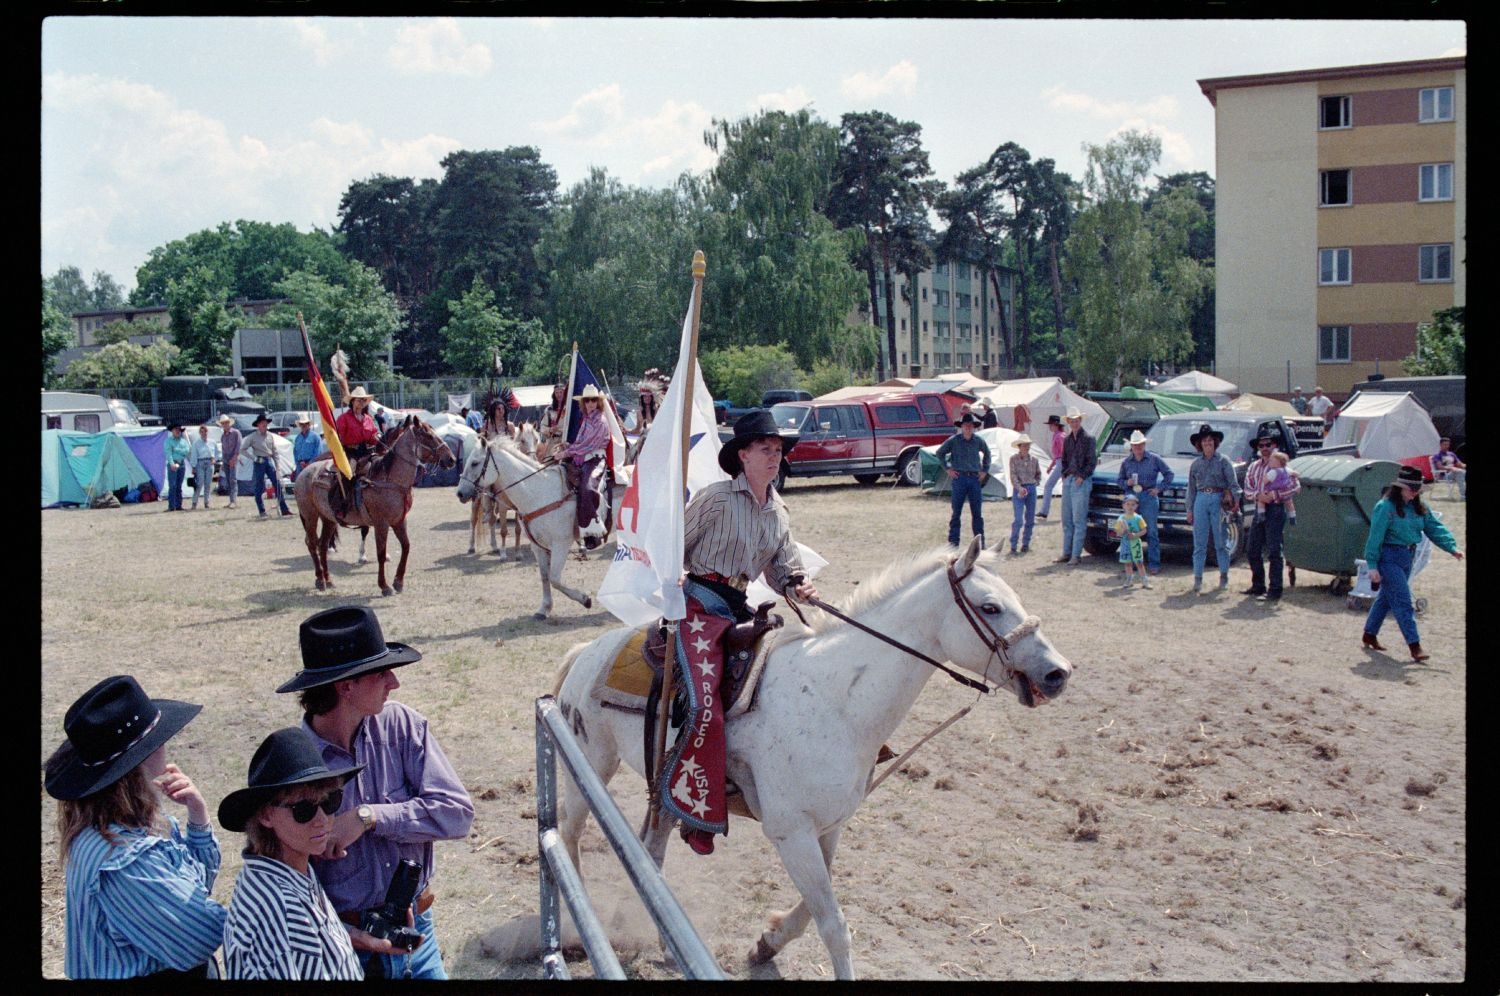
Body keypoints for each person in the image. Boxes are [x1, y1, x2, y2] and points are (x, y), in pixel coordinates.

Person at [276, 606, 474, 979]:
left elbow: (457, 814)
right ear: (346, 686)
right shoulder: (292, 766)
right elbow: (281, 882)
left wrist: (369, 816)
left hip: (417, 932)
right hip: (342, 947)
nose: (394, 682)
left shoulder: (401, 725)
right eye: (382, 673)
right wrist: (342, 933)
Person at [665, 409, 818, 856]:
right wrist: (672, 573)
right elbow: (677, 542)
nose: (775, 456)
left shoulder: (779, 510)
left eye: (779, 450)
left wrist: (798, 584)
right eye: (766, 449)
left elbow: (783, 568)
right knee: (704, 705)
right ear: (743, 455)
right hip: (698, 602)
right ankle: (695, 811)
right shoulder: (715, 498)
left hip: (741, 607)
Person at [44, 675, 226, 979]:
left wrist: (198, 818)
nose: (165, 748)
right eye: (159, 741)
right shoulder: (126, 860)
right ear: (141, 760)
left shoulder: (104, 830)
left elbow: (193, 891)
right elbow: (200, 937)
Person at [218, 728, 367, 981]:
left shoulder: (289, 867)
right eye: (303, 810)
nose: (322, 820)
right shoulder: (278, 908)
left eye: (330, 801)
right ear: (266, 816)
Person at [1360, 465, 1463, 661]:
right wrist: (1372, 565)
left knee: (1386, 598)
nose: (1415, 493)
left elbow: (1434, 527)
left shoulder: (1419, 508)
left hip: (1408, 556)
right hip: (1388, 557)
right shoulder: (1385, 507)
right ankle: (1415, 646)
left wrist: (1452, 548)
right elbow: (1375, 537)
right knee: (1403, 601)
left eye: (1417, 489)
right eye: (1411, 489)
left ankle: (1369, 634)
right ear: (1400, 488)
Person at [1241, 434, 1301, 602]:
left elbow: (1296, 487)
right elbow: (1247, 489)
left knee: (1274, 550)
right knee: (1252, 548)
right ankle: (1258, 585)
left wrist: (1275, 495)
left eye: (1268, 444)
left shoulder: (1282, 465)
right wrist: (1258, 496)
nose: (1265, 448)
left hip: (1276, 508)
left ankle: (1275, 589)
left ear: (1274, 445)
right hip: (1259, 508)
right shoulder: (1253, 467)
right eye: (1261, 445)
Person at [1184, 423, 1240, 594]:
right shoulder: (1195, 464)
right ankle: (1198, 579)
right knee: (1199, 543)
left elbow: (1233, 484)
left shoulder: (1224, 461)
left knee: (1220, 541)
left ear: (1215, 442)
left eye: (1210, 440)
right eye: (1204, 441)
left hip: (1218, 499)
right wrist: (1189, 509)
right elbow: (1191, 488)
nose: (1207, 443)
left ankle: (1223, 577)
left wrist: (1235, 502)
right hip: (1200, 498)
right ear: (1199, 444)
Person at [1115, 429, 1175, 576]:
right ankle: (1133, 562)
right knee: (1131, 531)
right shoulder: (1126, 462)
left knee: (1151, 531)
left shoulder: (1154, 459)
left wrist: (1159, 489)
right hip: (1132, 498)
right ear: (1131, 447)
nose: (1138, 448)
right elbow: (1119, 480)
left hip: (1148, 496)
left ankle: (1154, 564)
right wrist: (1126, 483)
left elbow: (1169, 474)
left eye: (1140, 444)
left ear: (1144, 445)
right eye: (1135, 445)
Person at [558, 383, 611, 545]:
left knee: (587, 488)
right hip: (582, 459)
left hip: (596, 460)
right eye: (587, 401)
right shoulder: (586, 420)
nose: (590, 404)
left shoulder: (600, 421)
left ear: (598, 402)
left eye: (593, 400)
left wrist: (566, 453)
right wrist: (568, 446)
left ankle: (593, 533)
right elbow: (580, 442)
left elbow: (588, 445)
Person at [936, 411, 991, 548]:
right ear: (961, 426)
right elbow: (940, 453)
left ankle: (979, 544)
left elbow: (988, 454)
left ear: (973, 427)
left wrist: (984, 470)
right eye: (965, 425)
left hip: (974, 479)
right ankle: (953, 544)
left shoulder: (978, 441)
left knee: (977, 513)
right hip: (959, 478)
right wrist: (948, 469)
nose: (967, 427)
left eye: (970, 425)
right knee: (956, 513)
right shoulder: (954, 440)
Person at [332, 386, 382, 520]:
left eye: (363, 400)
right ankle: (341, 506)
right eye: (358, 400)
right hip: (351, 451)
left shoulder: (368, 419)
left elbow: (372, 435)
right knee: (348, 474)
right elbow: (338, 437)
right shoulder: (344, 418)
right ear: (352, 401)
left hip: (367, 451)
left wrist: (376, 437)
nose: (361, 403)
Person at [1055, 407, 1097, 566]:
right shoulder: (1067, 440)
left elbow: (1091, 461)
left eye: (1076, 420)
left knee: (1078, 519)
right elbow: (1064, 459)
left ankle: (1075, 554)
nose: (1074, 423)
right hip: (1070, 479)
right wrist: (1064, 475)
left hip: (1081, 480)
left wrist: (1082, 476)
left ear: (1080, 421)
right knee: (1067, 519)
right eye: (1072, 421)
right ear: (1068, 422)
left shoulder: (1089, 438)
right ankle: (1067, 552)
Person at [245, 414, 292, 518]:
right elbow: (242, 450)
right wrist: (253, 458)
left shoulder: (270, 436)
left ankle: (284, 509)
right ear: (258, 425)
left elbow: (275, 452)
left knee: (277, 484)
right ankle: (262, 511)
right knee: (259, 487)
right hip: (259, 462)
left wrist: (278, 467)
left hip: (269, 460)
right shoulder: (252, 437)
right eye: (262, 424)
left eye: (266, 424)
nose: (265, 426)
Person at [1007, 433, 1040, 555]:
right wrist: (1019, 488)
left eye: (1028, 445)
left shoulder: (1034, 460)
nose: (1026, 448)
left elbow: (1038, 474)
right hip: (1019, 489)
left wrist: (1035, 483)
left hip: (1031, 488)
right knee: (1018, 519)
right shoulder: (1013, 459)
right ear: (1019, 447)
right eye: (1024, 445)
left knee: (1030, 519)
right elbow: (1013, 475)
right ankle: (1013, 544)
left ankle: (1026, 543)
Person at [1114, 494, 1149, 589]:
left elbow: (1144, 530)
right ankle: (1129, 579)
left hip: (1135, 543)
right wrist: (1122, 530)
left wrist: (1135, 535)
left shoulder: (1138, 518)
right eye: (1128, 504)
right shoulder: (1121, 519)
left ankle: (1144, 580)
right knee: (1127, 562)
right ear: (1123, 505)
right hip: (1125, 543)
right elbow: (1118, 533)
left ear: (1136, 506)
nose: (1130, 507)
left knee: (1139, 562)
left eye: (1133, 504)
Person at [1255, 450, 1299, 526]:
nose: (1269, 462)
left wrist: (1264, 477)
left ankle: (1261, 514)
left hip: (1272, 491)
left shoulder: (1273, 472)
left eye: (1271, 461)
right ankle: (1292, 516)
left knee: (1261, 500)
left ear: (1278, 462)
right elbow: (1295, 474)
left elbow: (1265, 481)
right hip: (1285, 490)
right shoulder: (1287, 470)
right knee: (1289, 503)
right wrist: (1295, 474)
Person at [1037, 414, 1066, 519]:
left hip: (1062, 463)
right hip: (1060, 462)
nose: (1049, 426)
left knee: (1049, 486)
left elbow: (1063, 453)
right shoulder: (1057, 435)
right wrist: (1051, 466)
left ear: (1055, 425)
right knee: (1063, 487)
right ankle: (1046, 511)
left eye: (1051, 424)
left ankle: (1044, 511)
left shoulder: (1060, 436)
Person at [188, 423, 216, 510]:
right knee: (199, 484)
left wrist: (214, 459)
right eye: (202, 432)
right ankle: (194, 502)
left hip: (209, 462)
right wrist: (193, 466)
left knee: (208, 484)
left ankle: (206, 502)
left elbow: (217, 452)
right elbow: (194, 455)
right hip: (200, 462)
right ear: (200, 433)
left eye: (205, 432)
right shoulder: (196, 443)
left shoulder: (212, 442)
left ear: (208, 432)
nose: (204, 433)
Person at [217, 413, 241, 508]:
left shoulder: (236, 433)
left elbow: (238, 446)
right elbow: (223, 450)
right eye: (223, 423)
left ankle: (234, 501)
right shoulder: (223, 436)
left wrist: (234, 458)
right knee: (228, 480)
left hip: (233, 459)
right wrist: (223, 461)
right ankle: (231, 500)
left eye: (226, 423)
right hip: (226, 459)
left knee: (233, 480)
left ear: (229, 423)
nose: (225, 425)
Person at [163, 424, 189, 511]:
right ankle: (171, 506)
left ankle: (178, 505)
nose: (178, 431)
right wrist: (172, 464)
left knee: (179, 485)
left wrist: (176, 449)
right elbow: (168, 453)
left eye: (179, 429)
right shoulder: (168, 441)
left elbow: (186, 451)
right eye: (176, 429)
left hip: (181, 464)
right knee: (173, 486)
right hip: (173, 464)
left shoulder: (183, 441)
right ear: (172, 431)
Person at [541, 380, 569, 457]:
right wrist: (550, 430)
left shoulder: (570, 410)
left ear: (565, 393)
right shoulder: (550, 410)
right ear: (554, 394)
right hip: (552, 443)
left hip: (566, 443)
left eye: (561, 392)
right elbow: (542, 427)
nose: (559, 394)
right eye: (557, 392)